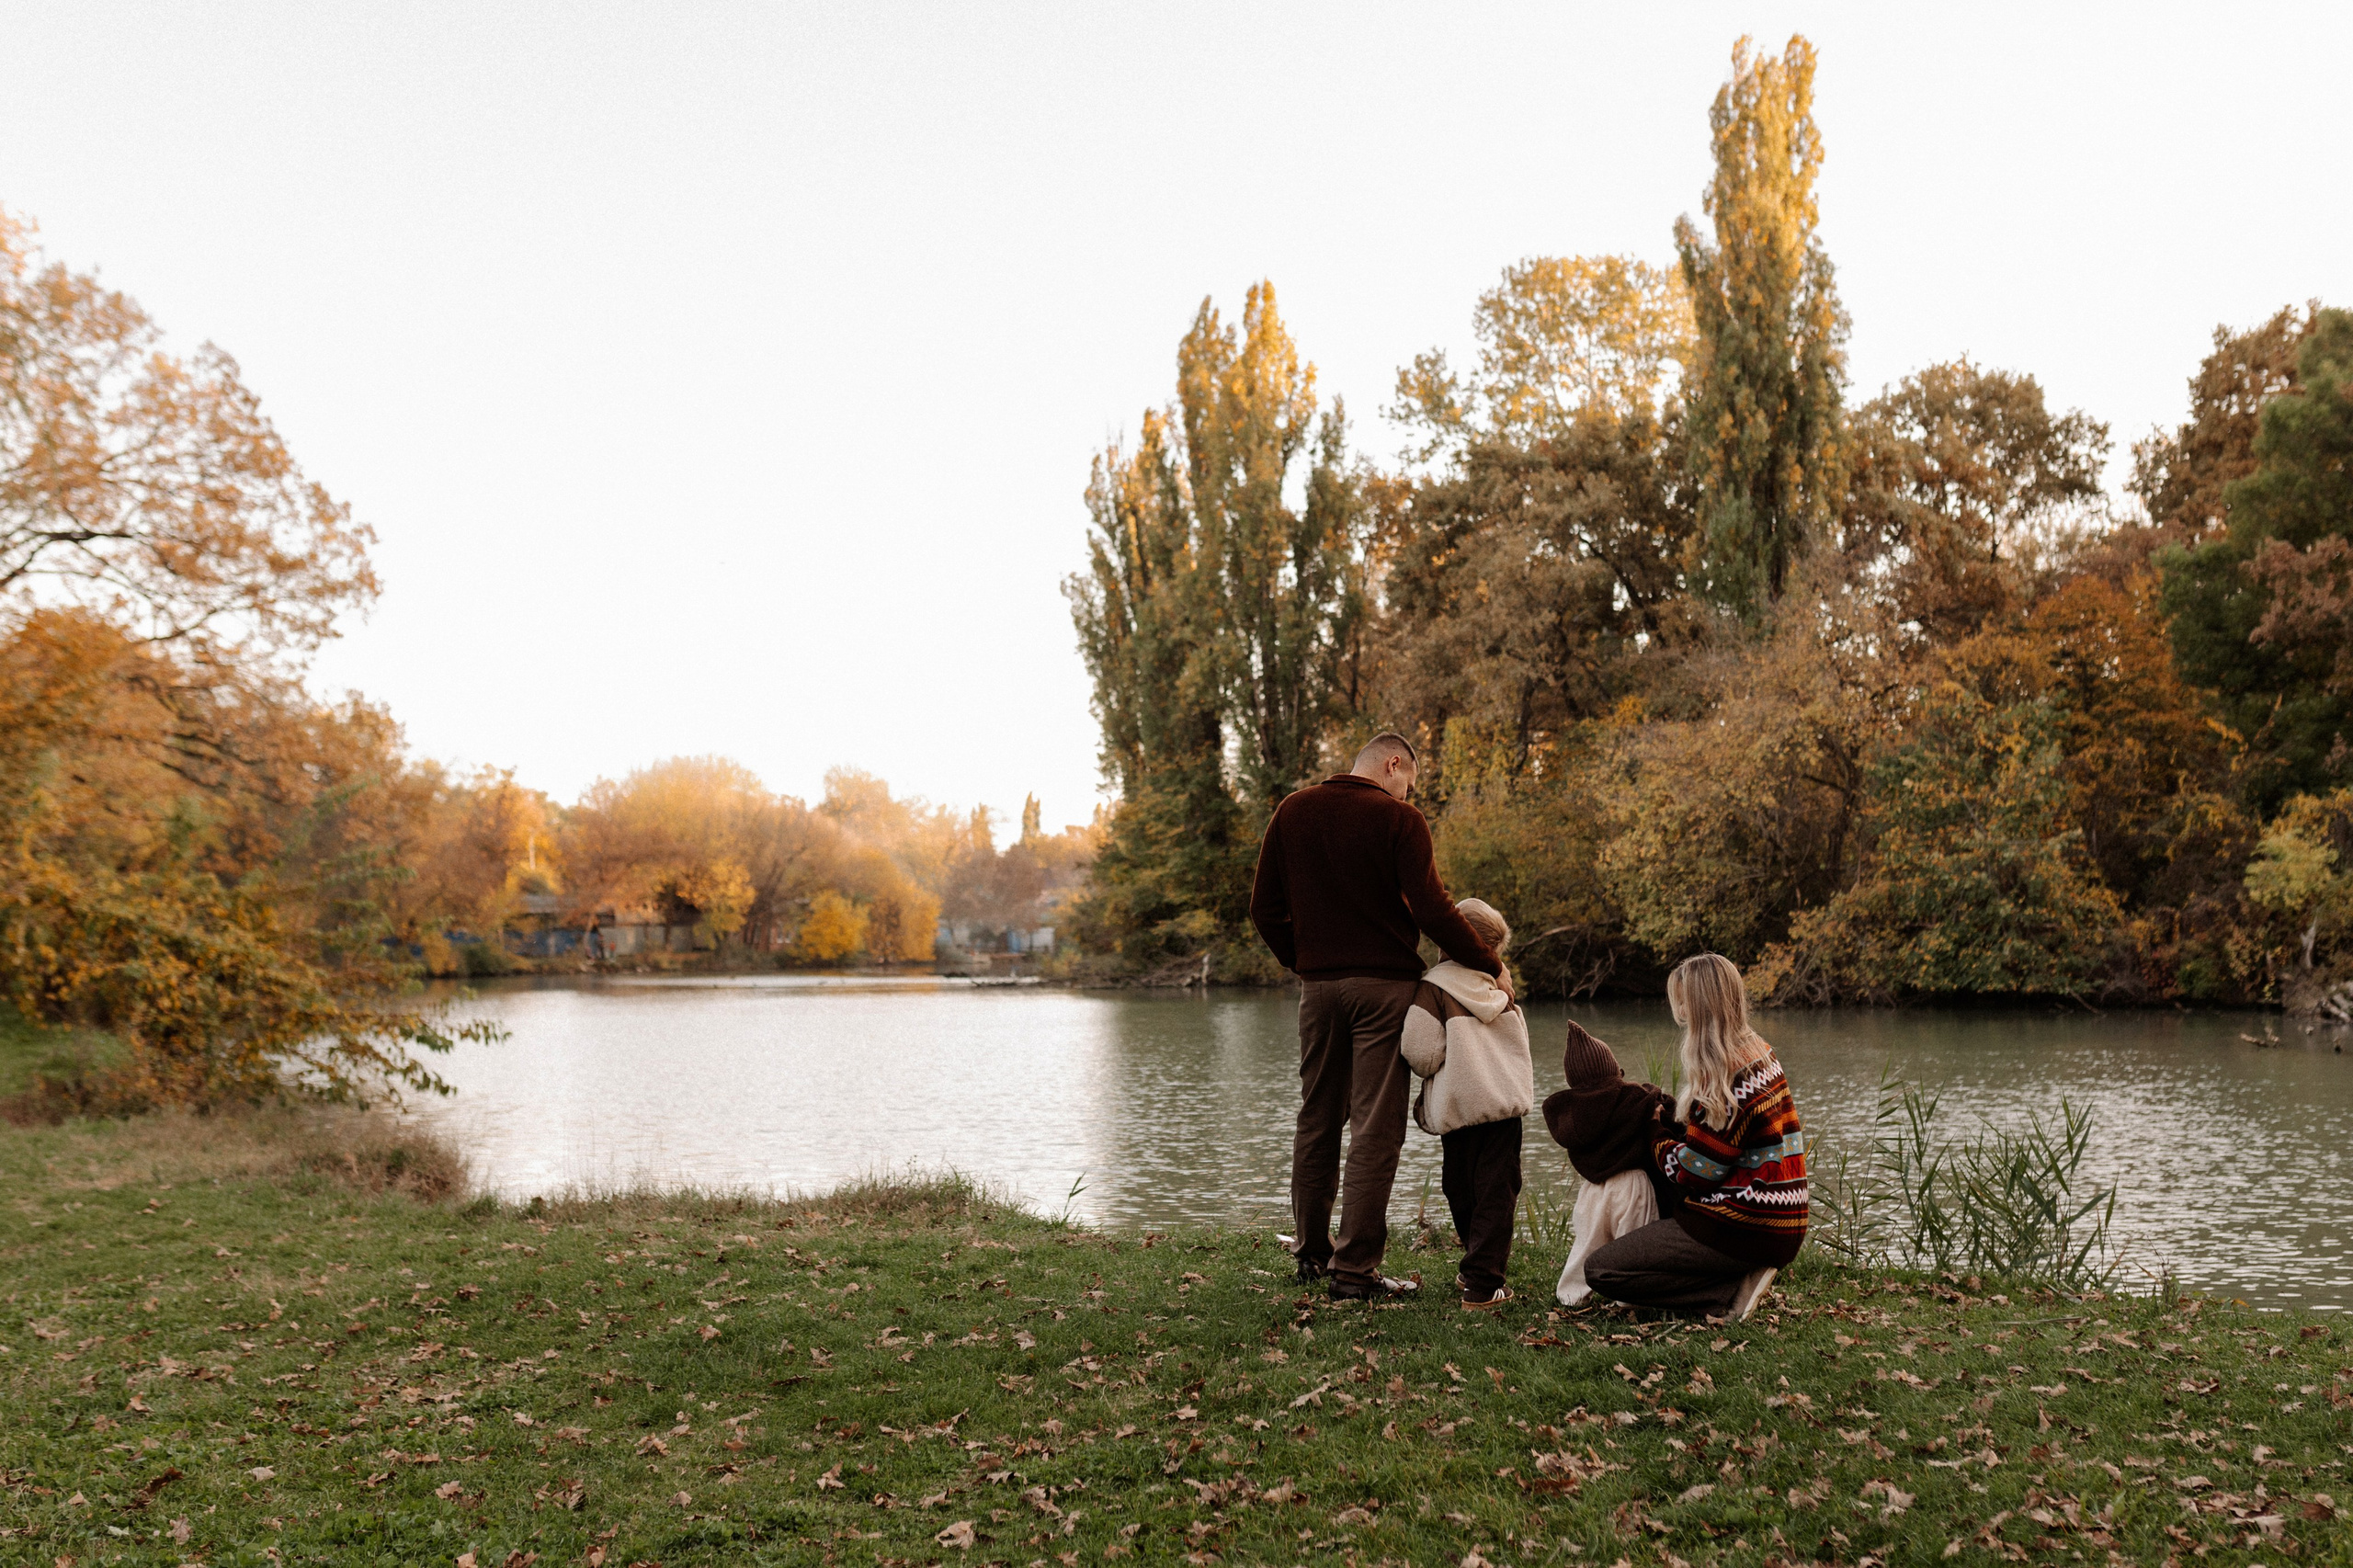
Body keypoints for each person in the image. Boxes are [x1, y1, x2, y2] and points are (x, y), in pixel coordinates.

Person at [1249, 732, 1508, 1301]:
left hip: (1317, 991)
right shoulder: (1399, 820)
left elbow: (1262, 908)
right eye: (1407, 782)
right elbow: (1435, 908)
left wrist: (1306, 964)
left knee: (1316, 1118)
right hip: (1385, 992)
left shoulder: (1292, 810)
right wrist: (1490, 964)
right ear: (1393, 764)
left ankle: (1312, 1257)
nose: (1407, 792)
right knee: (1374, 1128)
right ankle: (1355, 1271)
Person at [1582, 953, 1806, 1320]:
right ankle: (1734, 1279)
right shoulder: (1760, 1052)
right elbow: (1721, 1148)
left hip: (1745, 1223)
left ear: (1698, 1005)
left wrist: (1655, 1133)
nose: (1679, 1010)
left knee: (1603, 1270)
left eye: (1682, 1000)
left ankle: (1726, 1294)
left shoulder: (1724, 1074)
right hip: (1783, 1217)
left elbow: (1696, 1171)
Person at [1399, 898, 1533, 1309]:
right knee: (1498, 1188)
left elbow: (1419, 1051)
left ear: (1445, 941)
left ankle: (1481, 1281)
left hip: (1460, 1108)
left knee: (1460, 1185)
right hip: (1503, 1108)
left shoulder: (1435, 989)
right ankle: (1481, 1271)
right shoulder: (1500, 989)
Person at [1540, 1018, 1674, 1305]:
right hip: (1632, 1186)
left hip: (1592, 1189)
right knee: (1635, 1244)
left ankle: (1572, 1294)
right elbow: (1656, 1098)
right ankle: (1631, 1298)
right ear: (1613, 1070)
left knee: (1587, 1244)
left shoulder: (1573, 1116)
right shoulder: (1631, 1098)